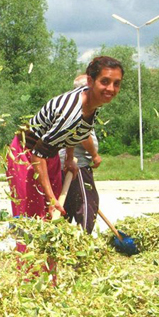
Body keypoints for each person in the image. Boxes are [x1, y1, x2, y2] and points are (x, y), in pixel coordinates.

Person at [6, 56, 123, 282]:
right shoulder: (71, 112)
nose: (111, 88)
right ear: (90, 80)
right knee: (33, 218)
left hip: (46, 155)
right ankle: (29, 281)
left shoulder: (91, 104)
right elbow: (36, 154)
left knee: (50, 221)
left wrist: (69, 158)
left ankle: (49, 279)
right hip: (24, 155)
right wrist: (51, 197)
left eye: (116, 83)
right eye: (105, 82)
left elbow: (73, 134)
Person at [58, 75, 101, 234]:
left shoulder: (72, 105)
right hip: (78, 166)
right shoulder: (82, 107)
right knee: (87, 204)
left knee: (69, 205)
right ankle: (84, 242)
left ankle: (65, 243)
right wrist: (94, 155)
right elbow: (83, 135)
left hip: (68, 164)